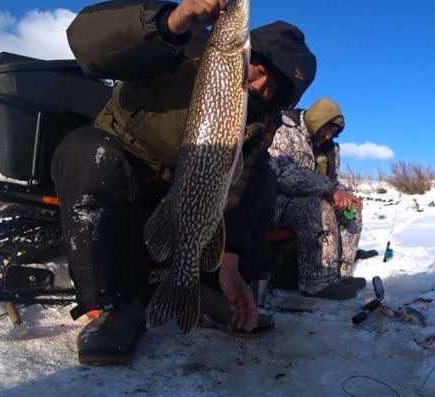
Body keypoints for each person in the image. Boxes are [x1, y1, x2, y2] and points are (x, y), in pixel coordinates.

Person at [51, 0, 316, 365]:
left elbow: (238, 194)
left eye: (274, 87)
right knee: (87, 152)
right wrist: (170, 22)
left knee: (262, 178)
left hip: (181, 194)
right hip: (124, 170)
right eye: (259, 68)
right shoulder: (180, 44)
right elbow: (86, 44)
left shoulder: (253, 121)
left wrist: (229, 263)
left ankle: (209, 290)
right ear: (244, 50)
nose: (258, 85)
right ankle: (117, 307)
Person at [268, 97, 365, 300]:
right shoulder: (284, 130)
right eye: (326, 128)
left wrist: (345, 194)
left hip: (310, 197)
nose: (328, 135)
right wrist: (329, 190)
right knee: (317, 207)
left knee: (350, 210)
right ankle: (317, 283)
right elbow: (283, 174)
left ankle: (339, 275)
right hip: (274, 202)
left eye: (333, 132)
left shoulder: (331, 149)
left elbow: (332, 180)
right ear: (316, 120)